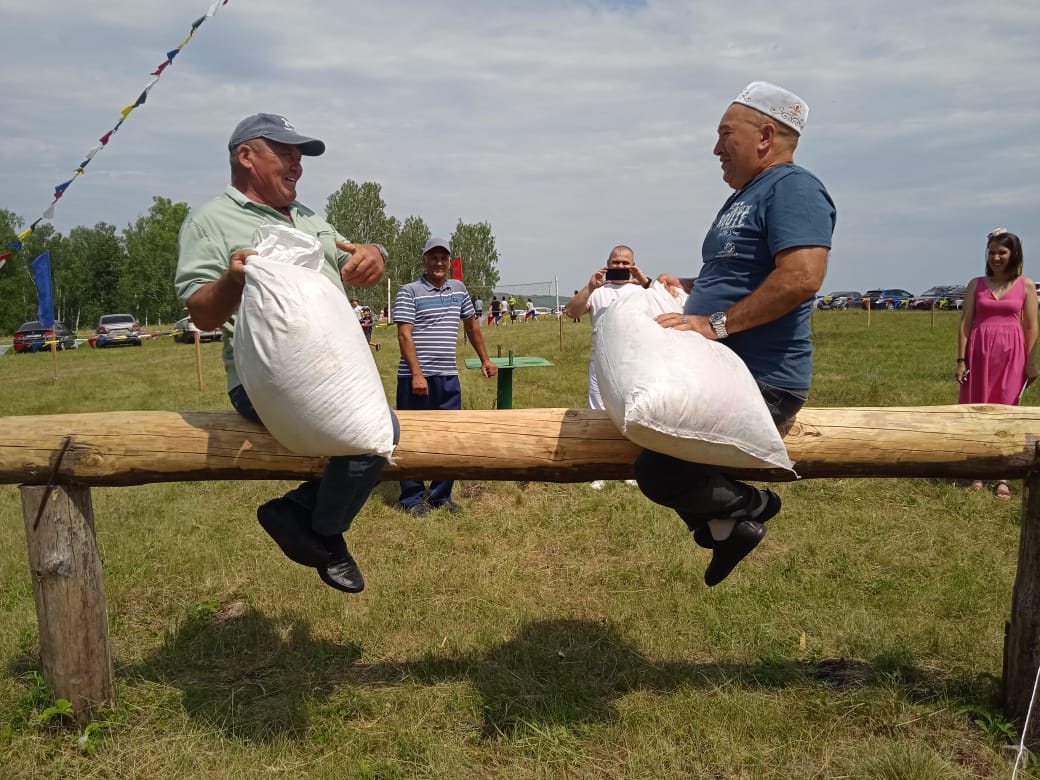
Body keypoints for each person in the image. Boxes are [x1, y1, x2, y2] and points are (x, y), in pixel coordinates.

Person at [175, 112, 396, 595]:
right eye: (285, 153)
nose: (297, 164)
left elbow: (352, 254)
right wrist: (234, 280)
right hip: (262, 382)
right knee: (378, 432)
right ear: (246, 156)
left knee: (375, 428)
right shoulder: (210, 221)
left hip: (338, 372)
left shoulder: (310, 217)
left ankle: (301, 513)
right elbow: (201, 314)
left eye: (300, 155)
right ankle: (320, 529)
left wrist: (374, 253)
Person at [634, 81, 835, 587]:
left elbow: (802, 276)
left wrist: (714, 323)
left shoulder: (795, 188)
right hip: (727, 374)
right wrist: (688, 285)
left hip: (764, 382)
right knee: (649, 441)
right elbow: (737, 273)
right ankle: (728, 528)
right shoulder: (746, 196)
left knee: (658, 469)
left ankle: (755, 505)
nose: (716, 148)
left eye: (726, 134)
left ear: (765, 136)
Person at [394, 237, 497, 515]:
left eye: (443, 258)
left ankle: (440, 495)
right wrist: (417, 374)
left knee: (450, 435)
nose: (438, 263)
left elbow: (472, 327)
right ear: (425, 261)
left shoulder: (459, 290)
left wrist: (485, 359)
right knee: (412, 436)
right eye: (433, 257)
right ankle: (411, 498)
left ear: (449, 262)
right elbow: (404, 335)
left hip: (448, 376)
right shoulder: (409, 291)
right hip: (415, 378)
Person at [957, 228, 1038, 499]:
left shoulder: (1026, 285)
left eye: (1001, 252)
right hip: (979, 354)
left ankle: (1003, 476)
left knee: (1007, 410)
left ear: (1013, 254)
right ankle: (977, 471)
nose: (996, 258)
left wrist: (1031, 363)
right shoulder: (976, 284)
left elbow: (1031, 327)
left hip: (1012, 355)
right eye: (991, 253)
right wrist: (961, 359)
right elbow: (965, 324)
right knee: (977, 409)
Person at [563, 244, 651, 490]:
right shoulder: (598, 291)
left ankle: (629, 468)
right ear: (607, 264)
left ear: (633, 265)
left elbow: (665, 304)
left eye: (625, 263)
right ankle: (601, 469)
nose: (620, 266)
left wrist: (645, 282)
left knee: (633, 414)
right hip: (601, 363)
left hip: (634, 363)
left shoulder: (642, 291)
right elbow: (572, 311)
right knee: (598, 413)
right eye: (616, 262)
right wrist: (590, 287)